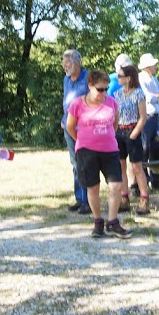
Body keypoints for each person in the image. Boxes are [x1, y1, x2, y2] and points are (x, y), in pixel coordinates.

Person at [66, 70, 131, 239]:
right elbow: (70, 127)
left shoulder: (111, 102)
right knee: (93, 188)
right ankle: (98, 222)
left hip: (110, 150)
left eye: (106, 88)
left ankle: (113, 221)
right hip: (87, 152)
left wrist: (106, 137)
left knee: (116, 186)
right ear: (90, 86)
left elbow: (115, 123)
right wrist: (82, 140)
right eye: (100, 89)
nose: (104, 93)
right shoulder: (77, 104)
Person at [113, 63, 151, 215]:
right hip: (119, 132)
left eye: (120, 76)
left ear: (128, 78)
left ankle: (144, 199)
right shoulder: (117, 94)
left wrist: (134, 134)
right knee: (120, 166)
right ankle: (124, 198)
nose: (118, 78)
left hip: (132, 130)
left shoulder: (138, 94)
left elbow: (143, 117)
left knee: (137, 167)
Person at [62, 49, 91, 214]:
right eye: (64, 64)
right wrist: (63, 120)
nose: (64, 68)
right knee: (75, 164)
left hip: (84, 128)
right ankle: (80, 199)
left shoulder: (88, 78)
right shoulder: (66, 79)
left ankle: (88, 201)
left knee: (85, 163)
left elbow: (96, 100)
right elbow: (66, 101)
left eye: (67, 64)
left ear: (77, 64)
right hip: (69, 126)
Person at [138, 52, 159, 191]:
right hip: (147, 116)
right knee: (145, 148)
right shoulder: (141, 78)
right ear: (147, 66)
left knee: (157, 148)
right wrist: (158, 96)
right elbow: (148, 97)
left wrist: (158, 96)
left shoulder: (154, 79)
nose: (156, 66)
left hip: (156, 116)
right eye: (153, 64)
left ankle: (156, 180)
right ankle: (144, 181)